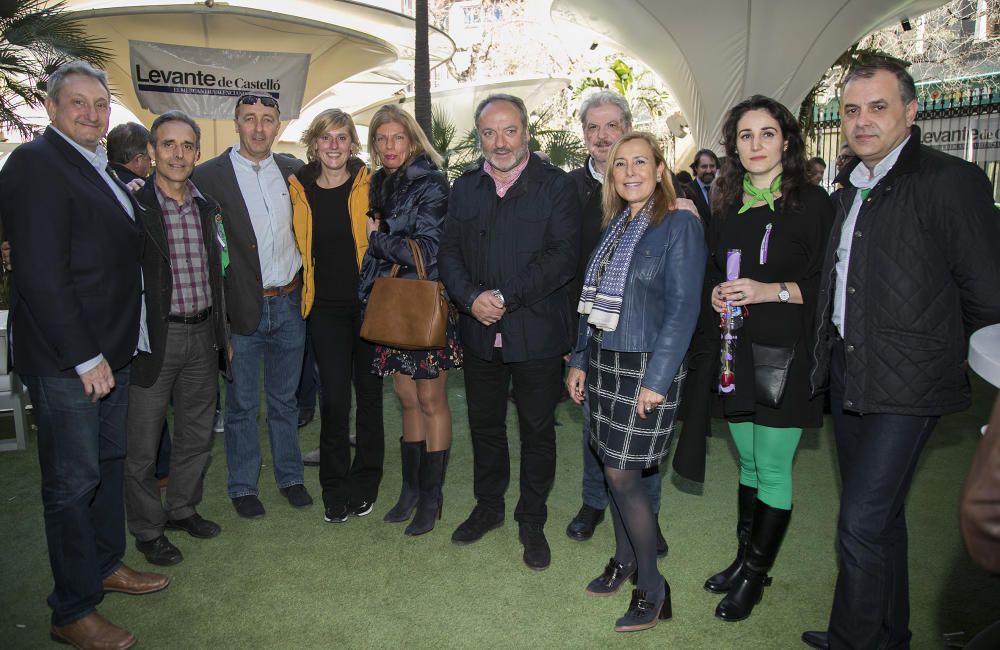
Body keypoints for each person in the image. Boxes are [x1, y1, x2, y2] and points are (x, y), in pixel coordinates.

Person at [801, 58, 1000, 650]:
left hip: (909, 384)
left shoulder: (950, 182)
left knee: (860, 522)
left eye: (878, 107)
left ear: (911, 112)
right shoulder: (850, 187)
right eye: (852, 111)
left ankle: (852, 641)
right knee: (880, 520)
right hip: (850, 370)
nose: (863, 122)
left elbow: (988, 297)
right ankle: (888, 636)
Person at [0, 60, 168, 649]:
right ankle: (71, 609)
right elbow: (42, 273)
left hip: (112, 352)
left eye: (100, 104)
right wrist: (84, 357)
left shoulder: (95, 164)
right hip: (71, 361)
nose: (92, 114)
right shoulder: (35, 164)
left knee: (108, 466)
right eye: (78, 103)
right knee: (72, 484)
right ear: (50, 108)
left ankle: (103, 566)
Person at [566, 131, 705, 632]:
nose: (629, 171)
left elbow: (683, 310)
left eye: (640, 162)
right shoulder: (617, 225)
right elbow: (592, 302)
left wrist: (659, 379)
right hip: (605, 362)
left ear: (660, 169)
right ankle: (625, 561)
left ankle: (653, 586)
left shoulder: (679, 225)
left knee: (624, 476)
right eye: (620, 164)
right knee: (611, 468)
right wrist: (580, 358)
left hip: (647, 368)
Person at [705, 95, 833, 623]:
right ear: (733, 146)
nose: (755, 145)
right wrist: (717, 292)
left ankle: (755, 578)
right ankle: (743, 560)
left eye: (766, 133)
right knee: (751, 464)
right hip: (735, 352)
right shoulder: (726, 204)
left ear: (786, 139)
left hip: (788, 353)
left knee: (774, 468)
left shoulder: (814, 203)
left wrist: (768, 291)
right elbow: (717, 270)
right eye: (744, 136)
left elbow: (828, 287)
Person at [439, 93, 580, 570]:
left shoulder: (554, 187)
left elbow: (562, 256)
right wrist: (470, 298)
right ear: (479, 137)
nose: (500, 143)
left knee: (537, 429)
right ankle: (489, 507)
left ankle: (532, 517)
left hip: (535, 333)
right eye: (489, 133)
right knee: (485, 426)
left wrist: (503, 298)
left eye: (509, 131)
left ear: (526, 132)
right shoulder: (465, 188)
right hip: (478, 331)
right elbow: (449, 254)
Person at [192, 93, 311, 518]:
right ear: (236, 123)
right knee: (241, 403)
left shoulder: (295, 172)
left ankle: (290, 476)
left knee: (284, 400)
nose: (258, 128)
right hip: (240, 309)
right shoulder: (206, 177)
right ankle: (243, 485)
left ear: (278, 126)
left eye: (266, 120)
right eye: (249, 119)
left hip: (290, 303)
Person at [124, 111, 232, 566]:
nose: (177, 154)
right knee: (142, 446)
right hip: (156, 340)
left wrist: (221, 335)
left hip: (202, 334)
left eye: (187, 146)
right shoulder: (133, 205)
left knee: (194, 435)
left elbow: (219, 272)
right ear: (151, 152)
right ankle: (148, 529)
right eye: (168, 145)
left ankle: (183, 508)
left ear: (197, 153)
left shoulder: (206, 207)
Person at [564, 91, 669, 556]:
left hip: (644, 337)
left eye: (612, 126)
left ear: (627, 127)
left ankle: (648, 519)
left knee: (642, 442)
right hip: (592, 331)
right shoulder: (569, 189)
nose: (602, 136)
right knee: (595, 429)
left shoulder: (667, 194)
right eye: (593, 128)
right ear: (583, 134)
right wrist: (577, 348)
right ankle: (594, 504)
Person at [359, 104, 458, 535]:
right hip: (391, 305)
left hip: (423, 305)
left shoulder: (432, 183)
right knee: (405, 397)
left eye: (397, 137)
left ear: (413, 140)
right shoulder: (380, 182)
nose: (389, 146)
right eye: (381, 139)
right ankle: (412, 489)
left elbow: (428, 251)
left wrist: (378, 241)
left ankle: (431, 497)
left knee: (432, 400)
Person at [288, 108, 385, 523]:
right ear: (313, 144)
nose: (333, 145)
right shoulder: (296, 188)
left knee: (369, 399)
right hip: (323, 310)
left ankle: (365, 482)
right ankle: (334, 484)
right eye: (326, 137)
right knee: (333, 399)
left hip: (368, 308)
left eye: (342, 137)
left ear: (352, 145)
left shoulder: (372, 186)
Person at [684, 148, 719, 220]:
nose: (709, 171)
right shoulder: (687, 192)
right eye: (704, 166)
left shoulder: (723, 190)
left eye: (712, 166)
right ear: (696, 168)